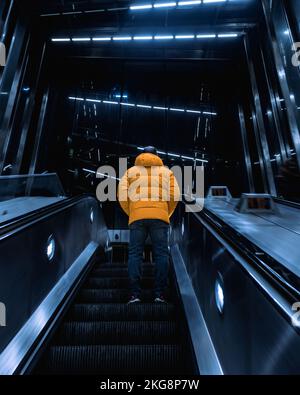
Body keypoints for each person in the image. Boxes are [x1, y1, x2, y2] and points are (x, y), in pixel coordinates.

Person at [118, 146, 180, 304]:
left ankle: (134, 295)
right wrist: (166, 212)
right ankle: (160, 294)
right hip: (160, 217)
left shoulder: (131, 171)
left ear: (142, 155)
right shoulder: (167, 172)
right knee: (161, 254)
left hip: (137, 217)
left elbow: (121, 194)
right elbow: (175, 195)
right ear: (157, 156)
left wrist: (133, 211)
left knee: (135, 254)